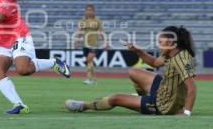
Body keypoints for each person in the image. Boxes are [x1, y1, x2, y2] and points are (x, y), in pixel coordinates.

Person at [66, 26, 197, 116]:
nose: (158, 44)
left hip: (163, 106)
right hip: (164, 90)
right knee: (133, 72)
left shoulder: (181, 59)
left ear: (169, 42)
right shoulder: (172, 53)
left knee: (115, 99)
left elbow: (192, 88)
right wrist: (137, 50)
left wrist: (186, 113)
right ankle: (142, 98)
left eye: (160, 41)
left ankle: (84, 106)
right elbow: (154, 63)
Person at [74, 4, 106, 85]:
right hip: (85, 44)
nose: (89, 12)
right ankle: (94, 79)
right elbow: (79, 32)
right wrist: (76, 41)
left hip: (94, 44)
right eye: (87, 10)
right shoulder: (82, 21)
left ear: (93, 11)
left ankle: (88, 78)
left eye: (90, 10)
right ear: (85, 11)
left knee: (89, 60)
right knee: (89, 62)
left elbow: (102, 32)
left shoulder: (97, 20)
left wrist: (105, 42)